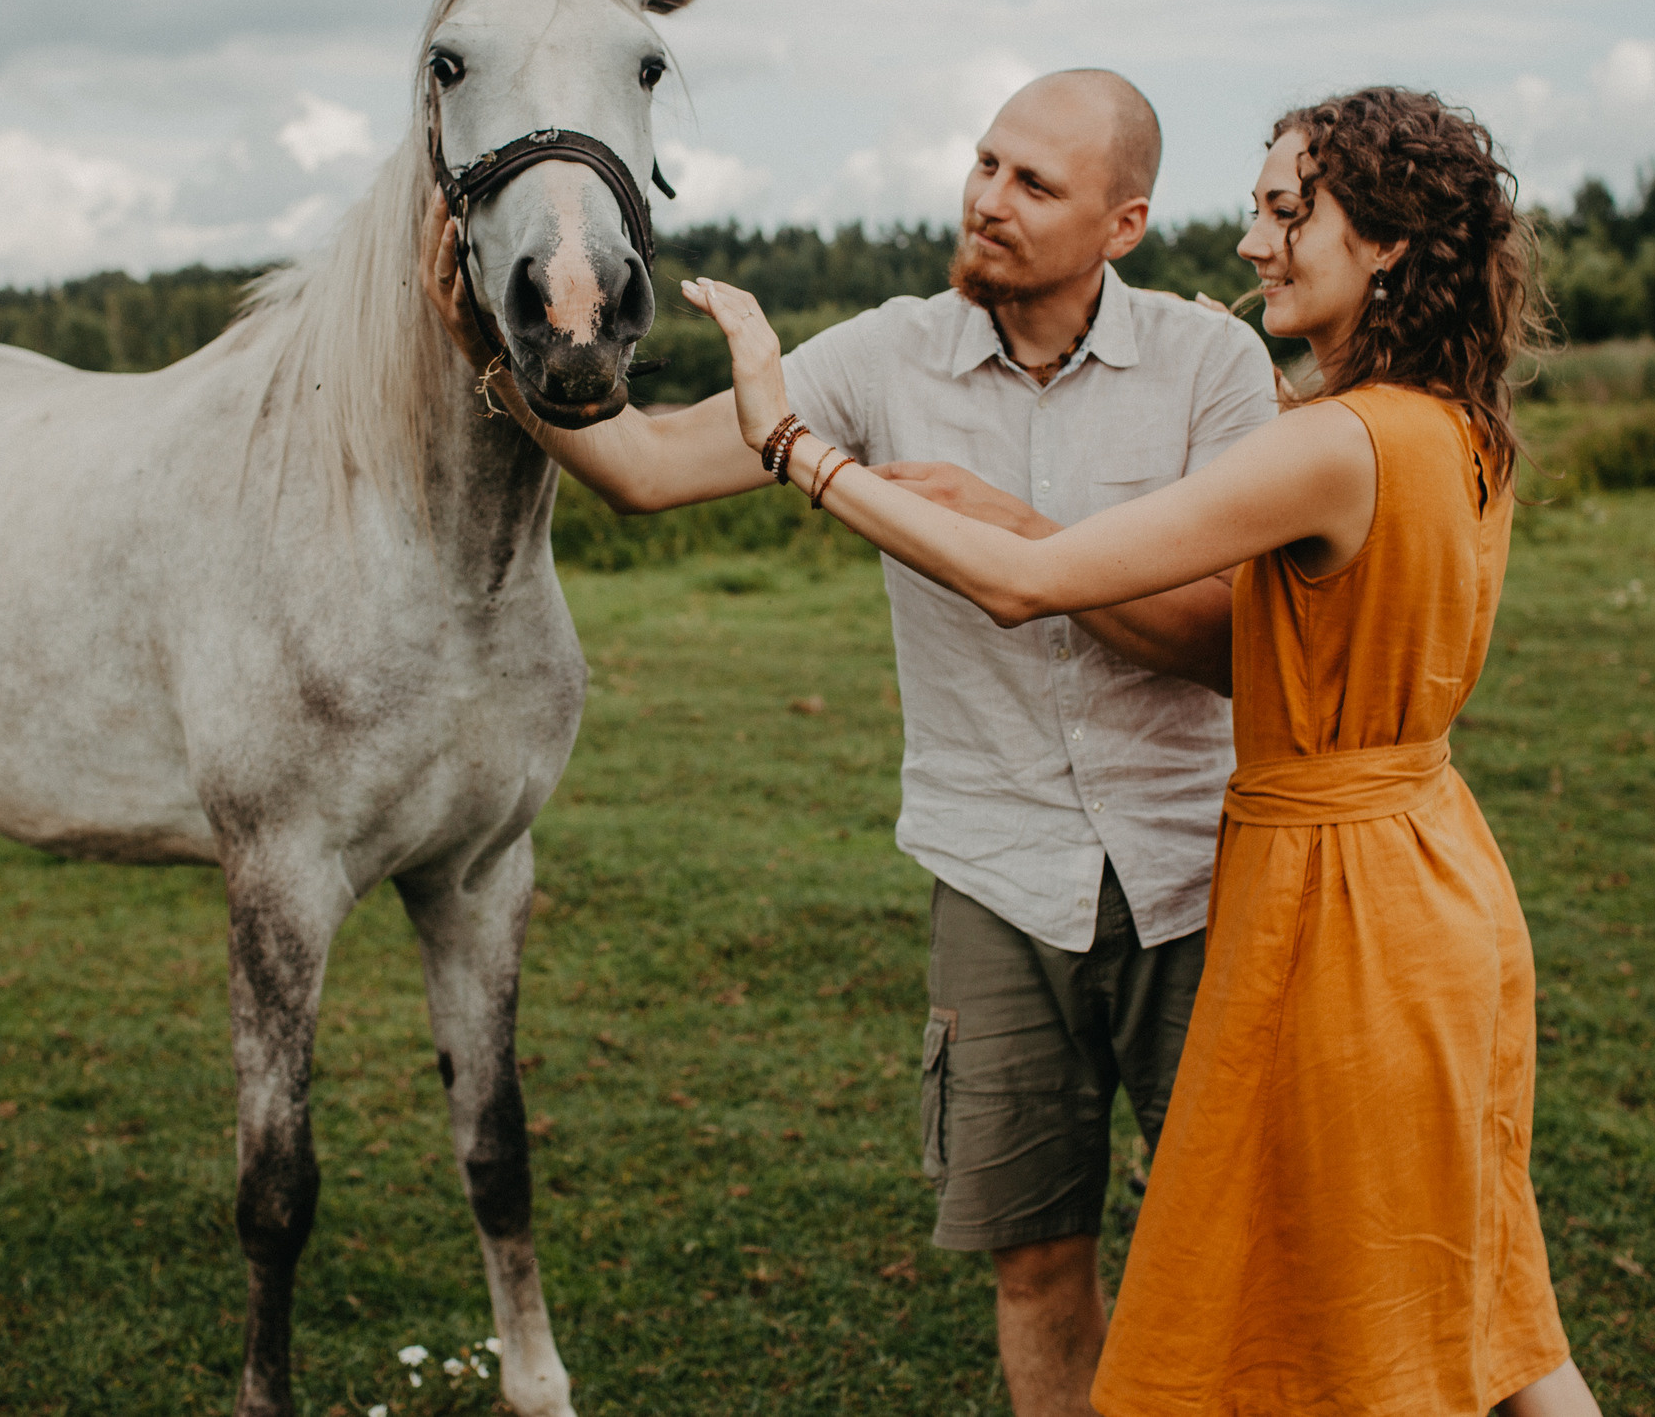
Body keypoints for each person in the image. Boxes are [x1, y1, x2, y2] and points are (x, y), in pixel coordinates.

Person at [678, 86, 1602, 1416]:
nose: (1254, 244)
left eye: (1291, 212)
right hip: (1435, 870)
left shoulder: (1330, 447)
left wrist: (793, 444)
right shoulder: (1455, 426)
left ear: (1389, 245)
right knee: (1492, 1298)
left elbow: (1016, 580)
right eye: (1257, 210)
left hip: (1340, 903)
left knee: (1363, 1306)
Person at [427, 70, 1277, 1417]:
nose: (988, 200)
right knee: (1037, 1261)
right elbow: (648, 467)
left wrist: (1016, 534)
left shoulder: (1211, 365)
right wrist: (496, 336)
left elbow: (1238, 640)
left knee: (1235, 1253)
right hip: (994, 881)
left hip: (1205, 875)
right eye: (986, 164)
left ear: (1123, 225)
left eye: (1034, 184)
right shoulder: (883, 359)